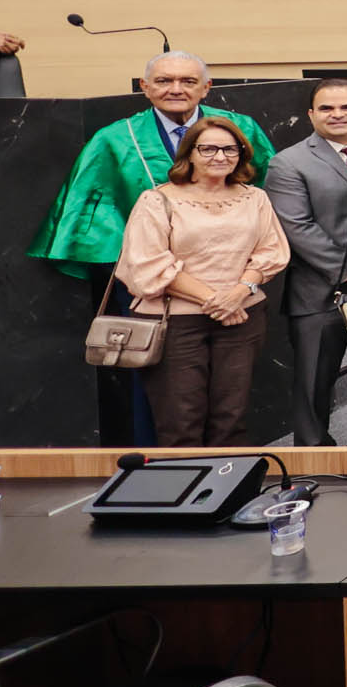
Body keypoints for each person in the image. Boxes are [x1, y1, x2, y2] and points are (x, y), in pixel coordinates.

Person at [32, 51, 279, 442]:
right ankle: (161, 477)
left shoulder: (238, 128)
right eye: (164, 81)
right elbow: (91, 207)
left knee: (231, 408)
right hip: (160, 292)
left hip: (236, 297)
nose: (176, 89)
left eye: (187, 81)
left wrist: (237, 290)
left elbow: (267, 197)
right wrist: (161, 269)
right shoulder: (114, 139)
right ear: (145, 87)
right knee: (171, 405)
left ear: (206, 87)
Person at [113, 118, 290, 446]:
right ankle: (186, 495)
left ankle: (230, 493)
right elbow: (147, 265)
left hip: (242, 320)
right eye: (207, 148)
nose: (219, 156)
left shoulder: (255, 199)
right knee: (181, 422)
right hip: (173, 323)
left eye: (229, 149)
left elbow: (271, 251)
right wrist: (218, 300)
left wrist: (237, 294)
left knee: (231, 418)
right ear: (189, 154)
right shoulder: (158, 201)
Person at [265, 80, 347, 446]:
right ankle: (314, 456)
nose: (337, 115)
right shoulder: (289, 161)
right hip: (318, 292)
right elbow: (296, 225)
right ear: (311, 114)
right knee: (313, 382)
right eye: (326, 108)